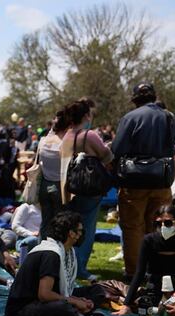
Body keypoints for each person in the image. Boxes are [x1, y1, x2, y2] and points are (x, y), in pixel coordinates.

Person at [111, 83, 175, 279]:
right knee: (158, 226)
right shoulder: (168, 117)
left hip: (134, 182)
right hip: (161, 181)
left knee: (133, 227)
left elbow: (117, 149)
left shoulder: (130, 117)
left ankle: (134, 272)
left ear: (135, 99)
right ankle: (156, 269)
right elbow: (171, 147)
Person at [5, 211, 105, 316]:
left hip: (46, 300)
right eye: (80, 231)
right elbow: (44, 294)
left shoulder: (67, 251)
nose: (81, 234)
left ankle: (79, 313)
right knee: (63, 307)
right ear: (71, 233)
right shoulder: (51, 254)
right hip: (23, 309)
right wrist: (74, 301)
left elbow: (60, 291)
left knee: (97, 290)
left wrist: (78, 300)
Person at [60, 99, 113, 282]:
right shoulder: (89, 135)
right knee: (87, 229)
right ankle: (80, 268)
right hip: (90, 187)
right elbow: (107, 156)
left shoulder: (66, 136)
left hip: (71, 188)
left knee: (72, 229)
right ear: (86, 115)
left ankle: (68, 265)